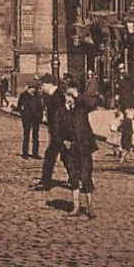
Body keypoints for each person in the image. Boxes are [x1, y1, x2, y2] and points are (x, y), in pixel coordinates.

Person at [58, 81, 98, 218]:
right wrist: (63, 141)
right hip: (69, 149)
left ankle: (90, 208)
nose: (69, 98)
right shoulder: (61, 111)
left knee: (86, 176)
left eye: (72, 95)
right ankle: (75, 207)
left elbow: (93, 103)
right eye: (67, 95)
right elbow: (57, 130)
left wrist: (78, 95)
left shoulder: (82, 108)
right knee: (73, 177)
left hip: (84, 148)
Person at [33, 74, 67, 191]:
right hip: (58, 133)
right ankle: (81, 180)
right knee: (67, 158)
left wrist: (57, 134)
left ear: (48, 84)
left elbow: (59, 117)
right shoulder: (54, 96)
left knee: (50, 156)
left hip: (59, 133)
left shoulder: (57, 97)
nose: (41, 88)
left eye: (42, 85)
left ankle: (45, 182)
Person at [17, 78, 43, 159]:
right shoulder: (23, 95)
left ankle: (35, 153)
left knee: (36, 136)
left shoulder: (37, 96)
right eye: (31, 88)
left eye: (34, 88)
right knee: (26, 135)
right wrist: (23, 114)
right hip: (27, 119)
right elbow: (19, 106)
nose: (33, 90)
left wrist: (40, 116)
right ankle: (25, 153)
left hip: (36, 119)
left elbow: (40, 107)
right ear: (28, 88)